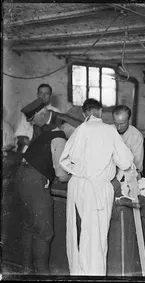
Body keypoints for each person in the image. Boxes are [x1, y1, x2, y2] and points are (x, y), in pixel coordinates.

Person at [59, 99, 134, 276]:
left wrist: (80, 170)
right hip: (98, 187)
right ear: (100, 111)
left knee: (78, 231)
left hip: (77, 185)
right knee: (96, 237)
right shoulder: (109, 130)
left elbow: (64, 160)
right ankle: (95, 275)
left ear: (85, 113)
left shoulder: (79, 130)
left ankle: (78, 273)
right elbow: (125, 161)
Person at [13, 98, 71, 275]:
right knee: (44, 231)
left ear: (41, 113)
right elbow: (61, 174)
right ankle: (43, 275)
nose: (30, 123)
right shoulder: (58, 134)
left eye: (32, 118)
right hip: (34, 181)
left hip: (21, 177)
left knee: (29, 226)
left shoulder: (47, 131)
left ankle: (26, 271)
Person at [15, 84, 62, 152]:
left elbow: (59, 137)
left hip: (49, 152)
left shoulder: (57, 113)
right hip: (28, 149)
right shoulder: (29, 112)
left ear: (50, 95)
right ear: (37, 94)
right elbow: (20, 134)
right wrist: (32, 144)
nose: (43, 96)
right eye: (41, 93)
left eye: (46, 93)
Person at [112, 105, 144, 178]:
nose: (119, 127)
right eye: (116, 123)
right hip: (111, 174)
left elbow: (137, 163)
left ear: (128, 120)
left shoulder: (136, 136)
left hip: (131, 173)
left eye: (122, 123)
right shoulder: (108, 132)